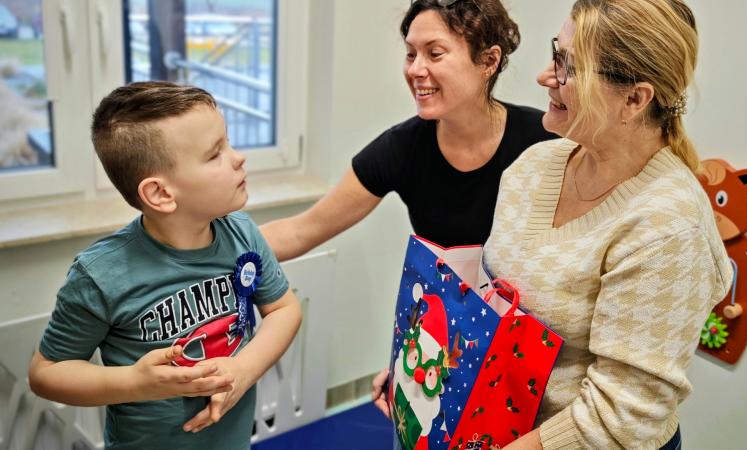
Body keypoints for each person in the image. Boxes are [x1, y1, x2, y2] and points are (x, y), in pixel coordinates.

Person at [259, 0, 555, 414]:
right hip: (450, 349)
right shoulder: (402, 148)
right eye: (411, 53)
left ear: (488, 61)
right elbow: (300, 231)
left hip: (532, 360)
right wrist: (202, 248)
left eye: (435, 53)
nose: (416, 69)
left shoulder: (544, 144)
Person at [481, 1, 733, 449]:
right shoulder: (535, 166)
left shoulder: (668, 227)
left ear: (634, 99)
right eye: (555, 54)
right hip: (500, 423)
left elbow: (621, 420)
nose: (545, 76)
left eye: (568, 67)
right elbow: (499, 303)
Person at [28, 82, 302, 450]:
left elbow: (284, 309)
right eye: (215, 154)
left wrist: (243, 369)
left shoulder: (243, 233)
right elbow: (46, 373)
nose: (239, 158)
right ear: (160, 193)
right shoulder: (100, 274)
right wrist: (135, 382)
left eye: (228, 143)